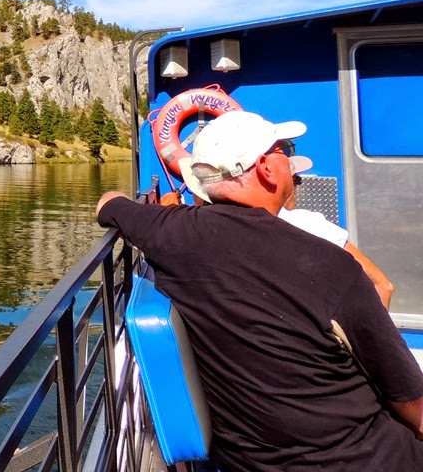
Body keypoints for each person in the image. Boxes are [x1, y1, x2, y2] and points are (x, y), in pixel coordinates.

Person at [99, 110, 423, 471]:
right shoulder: (330, 266)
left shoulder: (170, 235)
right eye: (285, 149)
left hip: (247, 461)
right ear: (267, 168)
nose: (290, 159)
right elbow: (414, 406)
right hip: (366, 459)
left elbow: (109, 204)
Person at [179, 154, 395, 308]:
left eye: (297, 180)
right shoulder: (310, 224)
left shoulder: (204, 238)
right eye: (294, 180)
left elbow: (381, 286)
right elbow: (382, 285)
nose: (296, 186)